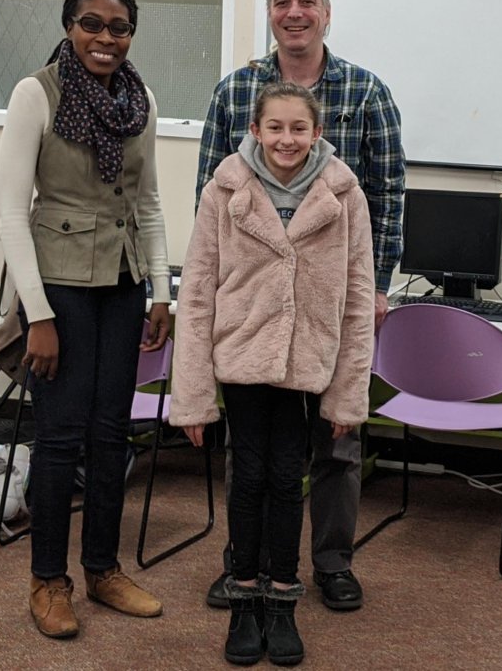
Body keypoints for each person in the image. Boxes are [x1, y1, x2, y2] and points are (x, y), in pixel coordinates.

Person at [196, 0, 405, 611]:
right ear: (269, 12)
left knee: (337, 440)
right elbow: (209, 192)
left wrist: (377, 287)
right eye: (283, 1)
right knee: (252, 445)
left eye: (308, 1)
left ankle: (333, 563)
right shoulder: (235, 92)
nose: (295, 12)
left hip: (329, 303)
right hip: (253, 309)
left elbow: (388, 196)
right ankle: (248, 559)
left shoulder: (366, 92)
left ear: (326, 13)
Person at [171, 82, 375, 666]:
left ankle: (282, 598)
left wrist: (347, 395)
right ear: (256, 130)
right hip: (241, 357)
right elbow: (198, 292)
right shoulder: (225, 188)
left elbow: (358, 298)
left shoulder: (344, 194)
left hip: (307, 363)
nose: (288, 139)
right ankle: (244, 598)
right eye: (276, 127)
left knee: (288, 479)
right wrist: (193, 396)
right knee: (247, 478)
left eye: (299, 128)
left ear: (318, 132)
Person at [0, 0, 171, 639]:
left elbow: (147, 202)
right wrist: (37, 315)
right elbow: (11, 213)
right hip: (58, 288)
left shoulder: (141, 99)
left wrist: (161, 290)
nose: (105, 38)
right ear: (69, 26)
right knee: (60, 439)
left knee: (111, 435)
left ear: (131, 34)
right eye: (91, 24)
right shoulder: (36, 94)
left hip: (123, 284)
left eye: (119, 27)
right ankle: (47, 580)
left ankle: (102, 568)